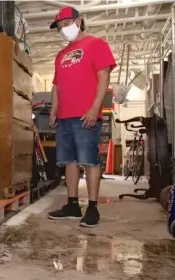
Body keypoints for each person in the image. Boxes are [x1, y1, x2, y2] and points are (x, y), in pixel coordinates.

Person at [47, 6, 116, 227]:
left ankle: (93, 208)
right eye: (60, 27)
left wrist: (95, 107)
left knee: (89, 160)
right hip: (65, 117)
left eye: (66, 24)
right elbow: (56, 85)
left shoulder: (96, 44)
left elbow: (103, 77)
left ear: (79, 21)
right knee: (69, 161)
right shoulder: (60, 55)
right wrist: (53, 110)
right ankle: (72, 204)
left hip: (86, 114)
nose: (63, 30)